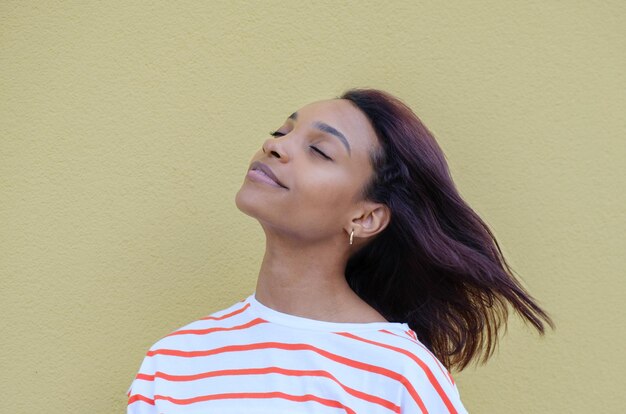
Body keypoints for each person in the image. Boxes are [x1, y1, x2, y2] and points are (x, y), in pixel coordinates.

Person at [126, 89, 554, 413]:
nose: (276, 145)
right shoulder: (174, 359)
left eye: (319, 150)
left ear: (365, 217)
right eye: (281, 131)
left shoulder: (399, 373)